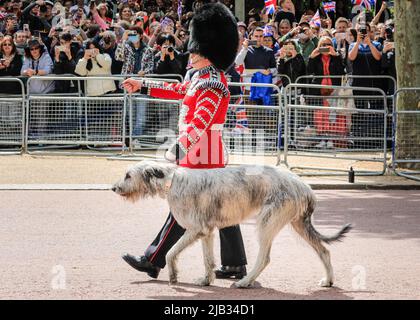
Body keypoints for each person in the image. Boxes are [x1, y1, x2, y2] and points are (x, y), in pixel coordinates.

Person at [121, 2, 248, 280]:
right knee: (221, 206)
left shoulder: (213, 82)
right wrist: (143, 85)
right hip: (203, 154)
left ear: (206, 54)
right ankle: (235, 263)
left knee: (182, 206)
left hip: (203, 154)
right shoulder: (200, 77)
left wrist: (179, 148)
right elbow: (178, 90)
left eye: (194, 51)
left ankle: (153, 259)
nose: (190, 55)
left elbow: (201, 122)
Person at [307, 36, 346, 149]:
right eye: (323, 45)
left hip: (334, 90)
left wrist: (336, 56)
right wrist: (311, 57)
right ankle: (322, 139)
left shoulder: (336, 56)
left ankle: (331, 139)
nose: (325, 47)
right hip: (319, 90)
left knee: (333, 115)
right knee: (321, 116)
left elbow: (341, 71)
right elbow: (309, 71)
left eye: (328, 44)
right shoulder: (316, 57)